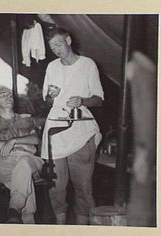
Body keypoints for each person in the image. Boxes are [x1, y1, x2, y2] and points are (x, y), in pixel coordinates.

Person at [41, 28, 104, 225]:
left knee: (83, 187)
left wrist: (82, 100)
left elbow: (99, 99)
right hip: (55, 133)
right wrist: (50, 96)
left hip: (80, 130)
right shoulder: (52, 67)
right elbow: (46, 99)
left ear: (68, 40)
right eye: (52, 47)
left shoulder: (87, 65)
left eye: (59, 44)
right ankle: (61, 232)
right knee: (56, 187)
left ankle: (82, 233)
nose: (56, 50)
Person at [0, 87, 43, 224]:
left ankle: (14, 210)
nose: (8, 97)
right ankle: (24, 216)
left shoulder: (26, 119)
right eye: (3, 95)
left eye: (9, 95)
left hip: (31, 160)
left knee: (24, 163)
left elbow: (35, 140)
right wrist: (24, 145)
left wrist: (13, 141)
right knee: (24, 170)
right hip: (5, 163)